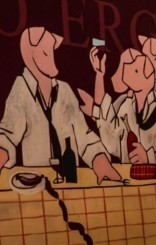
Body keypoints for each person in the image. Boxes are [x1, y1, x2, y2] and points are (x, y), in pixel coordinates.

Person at [0, 27, 121, 182]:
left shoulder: (65, 90)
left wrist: (100, 160)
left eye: (51, 51)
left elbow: (83, 134)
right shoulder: (21, 89)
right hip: (39, 184)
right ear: (30, 54)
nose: (51, 57)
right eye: (45, 52)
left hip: (70, 181)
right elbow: (8, 134)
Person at [95, 47, 156, 171]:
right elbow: (113, 143)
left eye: (135, 70)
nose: (126, 75)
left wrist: (149, 158)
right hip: (131, 181)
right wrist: (99, 76)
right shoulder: (126, 108)